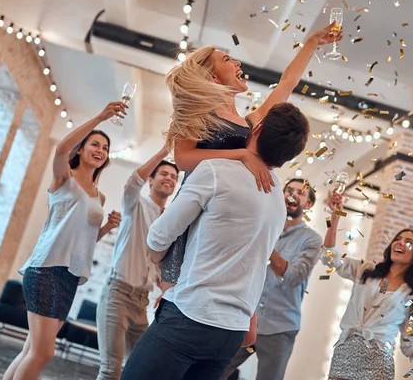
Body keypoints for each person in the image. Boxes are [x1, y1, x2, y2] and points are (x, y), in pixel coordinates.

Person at [120, 102, 311, 380]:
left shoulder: (216, 171)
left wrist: (158, 258)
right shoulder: (278, 200)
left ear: (256, 129)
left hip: (191, 316)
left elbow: (158, 236)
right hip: (231, 334)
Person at [159, 21, 343, 290]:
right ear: (213, 77)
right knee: (176, 297)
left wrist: (311, 44)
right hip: (194, 214)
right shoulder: (198, 115)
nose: (237, 64)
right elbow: (183, 158)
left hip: (228, 220)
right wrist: (243, 154)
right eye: (227, 59)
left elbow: (286, 84)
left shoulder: (249, 123)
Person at [3, 102, 126, 380]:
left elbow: (85, 240)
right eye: (94, 144)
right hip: (46, 268)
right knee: (43, 352)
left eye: (105, 148)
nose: (100, 151)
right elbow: (60, 149)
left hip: (69, 277)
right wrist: (100, 117)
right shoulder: (63, 179)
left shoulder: (99, 196)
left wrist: (108, 226)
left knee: (31, 350)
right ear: (80, 149)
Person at [320, 193, 413, 380]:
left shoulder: (412, 296)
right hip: (343, 355)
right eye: (398, 238)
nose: (400, 242)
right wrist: (334, 218)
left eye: (408, 243)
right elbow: (329, 257)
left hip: (377, 365)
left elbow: (409, 345)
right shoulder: (366, 270)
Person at [221, 179, 322, 380]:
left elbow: (294, 277)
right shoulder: (262, 224)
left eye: (300, 193)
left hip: (280, 327)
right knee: (212, 372)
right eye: (289, 190)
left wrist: (266, 241)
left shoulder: (312, 240)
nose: (292, 195)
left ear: (308, 204)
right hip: (243, 318)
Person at [96, 146, 179, 380]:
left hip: (142, 303)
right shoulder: (135, 206)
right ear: (151, 180)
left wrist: (167, 289)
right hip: (118, 296)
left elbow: (161, 265)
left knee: (141, 372)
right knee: (111, 370)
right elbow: (133, 182)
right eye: (164, 174)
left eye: (174, 176)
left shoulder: (170, 221)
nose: (169, 178)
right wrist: (163, 152)